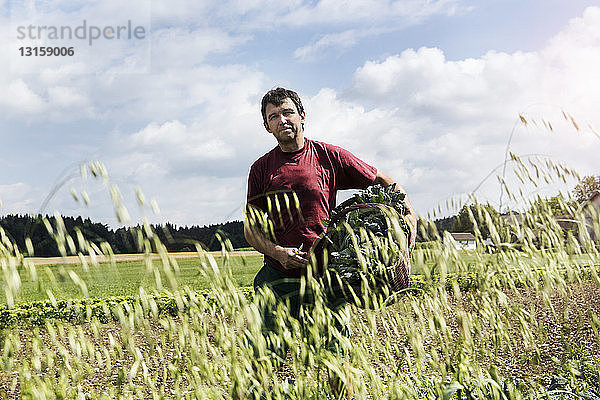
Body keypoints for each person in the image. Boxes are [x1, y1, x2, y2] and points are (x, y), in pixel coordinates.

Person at [244, 87, 417, 398]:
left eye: (287, 112)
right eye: (273, 116)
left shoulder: (329, 156)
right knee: (263, 361)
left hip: (326, 278)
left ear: (302, 116)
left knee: (335, 363)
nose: (281, 120)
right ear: (266, 126)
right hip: (277, 278)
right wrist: (279, 252)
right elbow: (250, 230)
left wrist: (406, 215)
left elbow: (386, 182)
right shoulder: (261, 169)